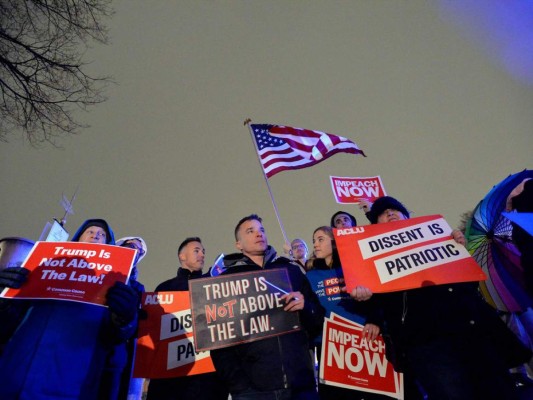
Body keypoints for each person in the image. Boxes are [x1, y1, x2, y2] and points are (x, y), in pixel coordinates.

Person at [349, 196, 531, 400]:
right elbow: (378, 302)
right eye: (382, 213)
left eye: (394, 209)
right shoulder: (373, 261)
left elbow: (470, 285)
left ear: (407, 215)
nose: (390, 213)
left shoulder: (442, 238)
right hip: (427, 342)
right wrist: (364, 296)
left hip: (471, 330)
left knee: (497, 391)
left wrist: (459, 250)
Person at [0, 219, 141, 400]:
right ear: (78, 237)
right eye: (90, 231)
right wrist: (5, 296)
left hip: (72, 384)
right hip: (14, 376)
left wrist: (125, 318)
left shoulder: (116, 283)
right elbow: (8, 321)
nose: (95, 235)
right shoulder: (43, 265)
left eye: (102, 234)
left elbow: (116, 338)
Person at [209, 214, 325, 400]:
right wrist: (238, 384)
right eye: (250, 231)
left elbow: (317, 320)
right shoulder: (226, 281)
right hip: (253, 390)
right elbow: (219, 340)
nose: (258, 234)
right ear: (238, 244)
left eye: (261, 230)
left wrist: (305, 307)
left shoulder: (291, 270)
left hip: (300, 385)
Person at [307, 226, 387, 400]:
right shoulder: (310, 276)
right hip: (329, 346)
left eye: (321, 239)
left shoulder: (355, 267)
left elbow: (379, 298)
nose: (315, 245)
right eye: (314, 241)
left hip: (364, 341)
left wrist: (375, 320)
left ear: (335, 243)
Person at [146, 237, 228, 400]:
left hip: (207, 376)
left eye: (203, 252)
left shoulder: (211, 284)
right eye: (196, 251)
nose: (202, 255)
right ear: (182, 256)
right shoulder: (165, 288)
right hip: (171, 375)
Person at [100, 237, 148, 400]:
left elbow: (135, 327)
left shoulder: (137, 288)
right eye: (132, 246)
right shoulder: (98, 271)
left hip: (114, 355)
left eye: (139, 251)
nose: (135, 251)